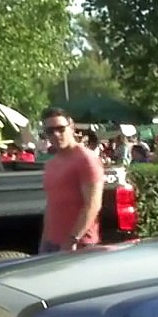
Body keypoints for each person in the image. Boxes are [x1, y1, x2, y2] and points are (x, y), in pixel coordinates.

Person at [39, 107, 105, 254]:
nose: (56, 134)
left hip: (79, 245)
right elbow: (51, 206)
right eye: (50, 131)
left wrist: (72, 240)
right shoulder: (51, 164)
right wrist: (44, 241)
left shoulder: (86, 159)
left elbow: (93, 204)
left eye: (61, 129)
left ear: (71, 127)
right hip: (51, 243)